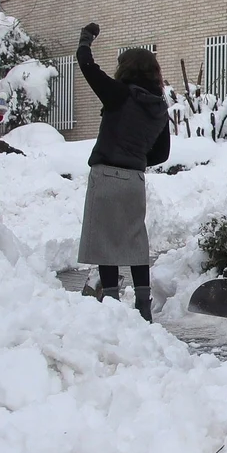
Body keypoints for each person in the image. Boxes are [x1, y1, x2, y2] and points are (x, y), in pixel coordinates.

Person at [75, 23, 171, 321]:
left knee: (107, 244)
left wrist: (85, 39)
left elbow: (87, 66)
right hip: (133, 181)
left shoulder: (119, 94)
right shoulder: (159, 108)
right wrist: (137, 155)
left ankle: (113, 307)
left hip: (106, 176)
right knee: (133, 240)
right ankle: (143, 306)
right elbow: (162, 153)